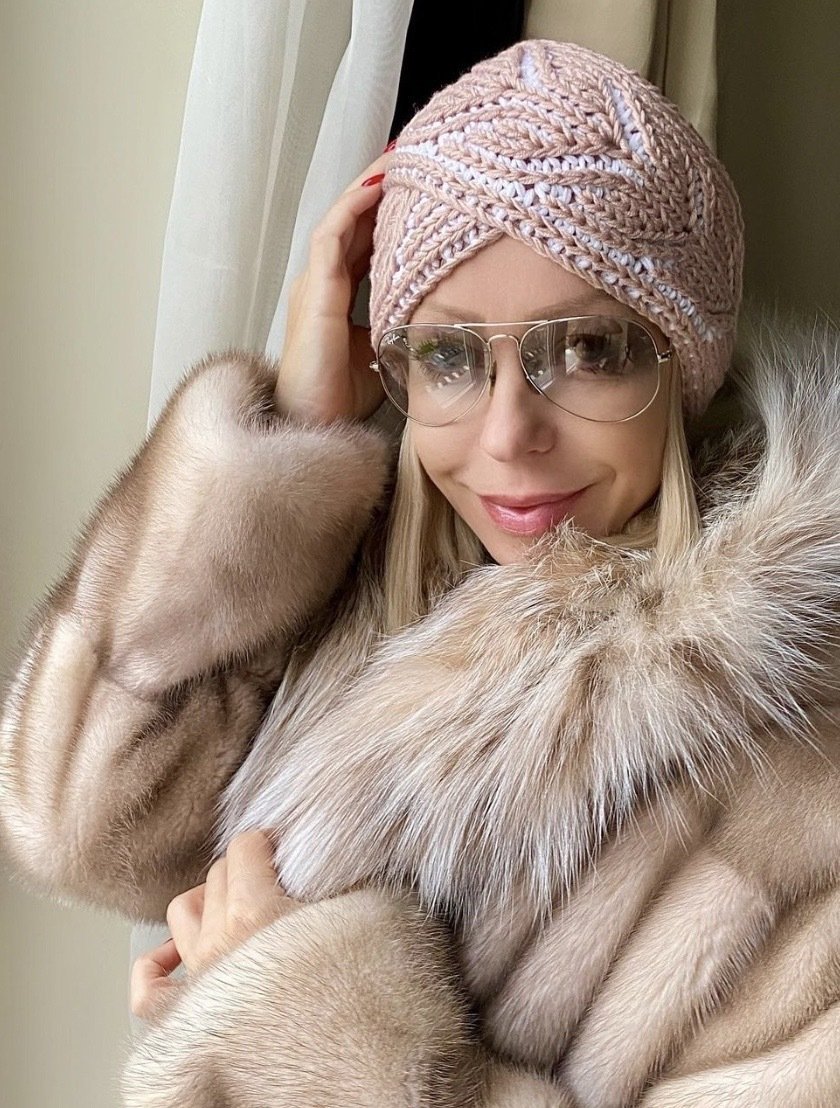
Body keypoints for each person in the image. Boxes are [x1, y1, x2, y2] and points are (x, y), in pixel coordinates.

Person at [1, 38, 839, 1108]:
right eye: (448, 356)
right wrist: (291, 433)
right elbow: (81, 818)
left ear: (683, 366)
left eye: (587, 350)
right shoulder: (350, 585)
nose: (507, 433)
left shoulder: (799, 770)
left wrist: (290, 1017)